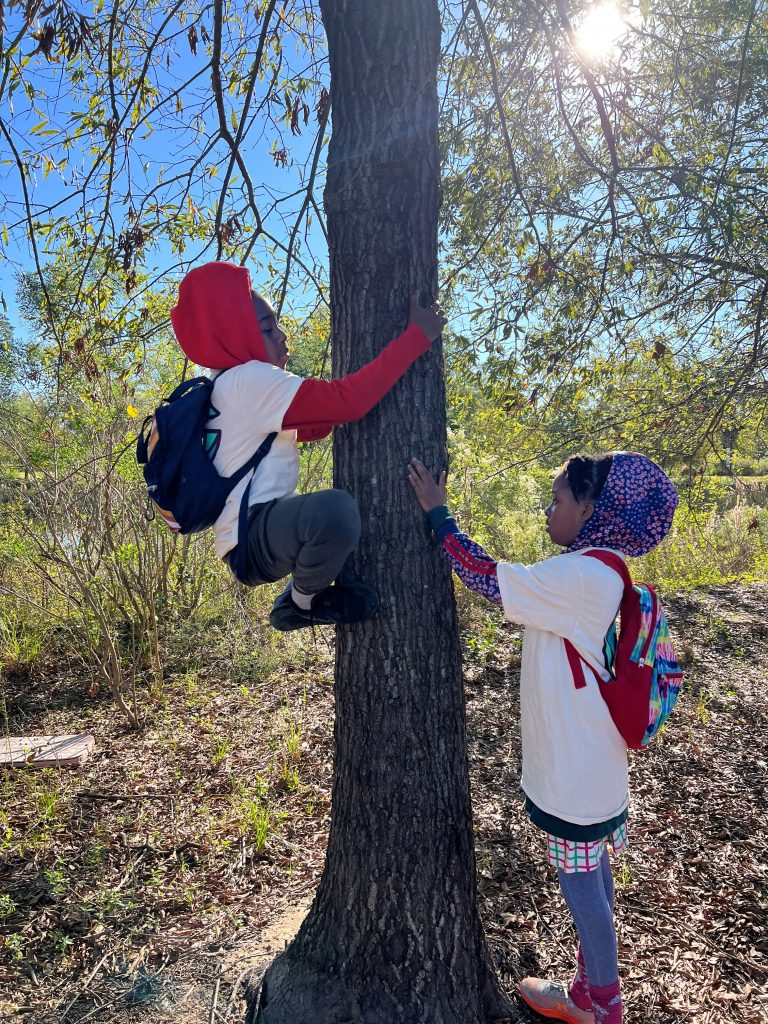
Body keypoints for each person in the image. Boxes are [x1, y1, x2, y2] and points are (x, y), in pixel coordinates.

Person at [407, 452, 678, 1024]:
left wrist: (440, 517)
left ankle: (601, 1003)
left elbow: (489, 579)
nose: (547, 512)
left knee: (582, 886)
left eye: (556, 501)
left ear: (588, 507)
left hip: (577, 772)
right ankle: (591, 988)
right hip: (593, 761)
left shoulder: (583, 575)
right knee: (593, 876)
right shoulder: (599, 568)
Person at [170, 260, 446, 631]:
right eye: (268, 329)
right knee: (334, 512)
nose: (283, 336)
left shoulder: (227, 385)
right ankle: (300, 604)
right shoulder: (250, 380)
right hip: (255, 535)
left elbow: (313, 426)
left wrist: (327, 408)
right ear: (238, 334)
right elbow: (347, 403)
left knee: (331, 511)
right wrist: (416, 337)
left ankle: (303, 596)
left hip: (253, 536)